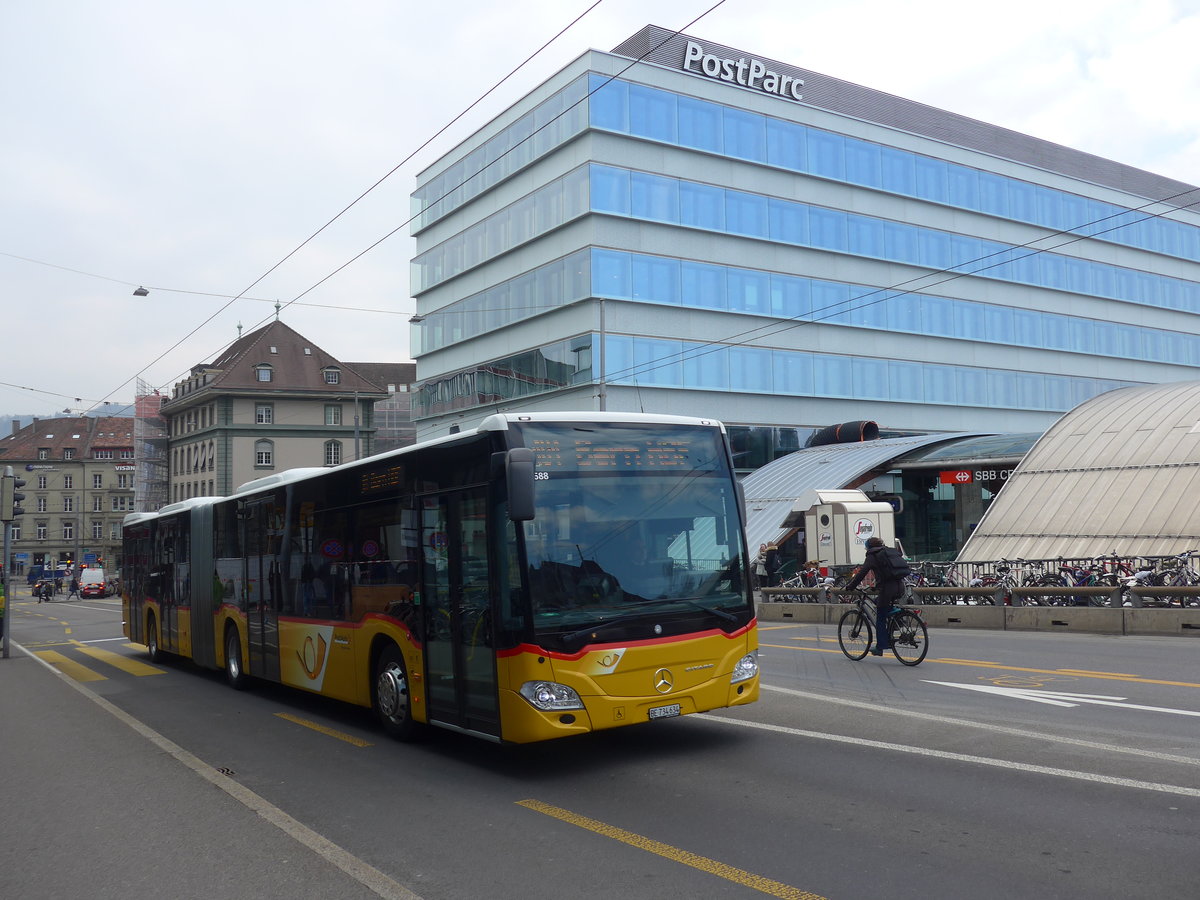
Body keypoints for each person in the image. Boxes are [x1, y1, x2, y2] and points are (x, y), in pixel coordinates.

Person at [842, 536, 907, 656]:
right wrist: (876, 586)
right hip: (900, 586)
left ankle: (880, 647)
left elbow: (861, 573)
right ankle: (897, 620)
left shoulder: (872, 556)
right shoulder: (888, 552)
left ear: (869, 547)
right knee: (878, 602)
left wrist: (851, 586)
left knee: (880, 617)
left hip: (887, 589)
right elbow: (887, 572)